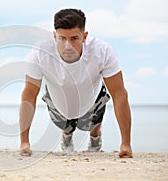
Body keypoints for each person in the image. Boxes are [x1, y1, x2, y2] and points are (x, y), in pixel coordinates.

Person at [19, 8, 133, 158]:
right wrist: (24, 142)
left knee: (92, 124)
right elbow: (29, 95)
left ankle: (95, 136)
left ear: (84, 36)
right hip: (59, 99)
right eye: (62, 38)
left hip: (92, 97)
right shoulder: (40, 53)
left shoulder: (102, 51)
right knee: (66, 126)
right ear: (54, 36)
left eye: (74, 38)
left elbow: (119, 94)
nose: (68, 46)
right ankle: (67, 134)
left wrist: (126, 143)